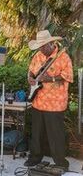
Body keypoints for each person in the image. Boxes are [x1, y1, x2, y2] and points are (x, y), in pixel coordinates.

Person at [24, 30, 73, 169]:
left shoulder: (63, 57)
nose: (41, 49)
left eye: (43, 46)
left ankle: (60, 162)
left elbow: (68, 76)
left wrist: (50, 78)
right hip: (38, 101)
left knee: (55, 135)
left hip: (55, 103)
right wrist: (30, 78)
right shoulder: (38, 55)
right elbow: (31, 70)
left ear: (51, 44)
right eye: (39, 46)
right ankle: (34, 158)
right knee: (36, 134)